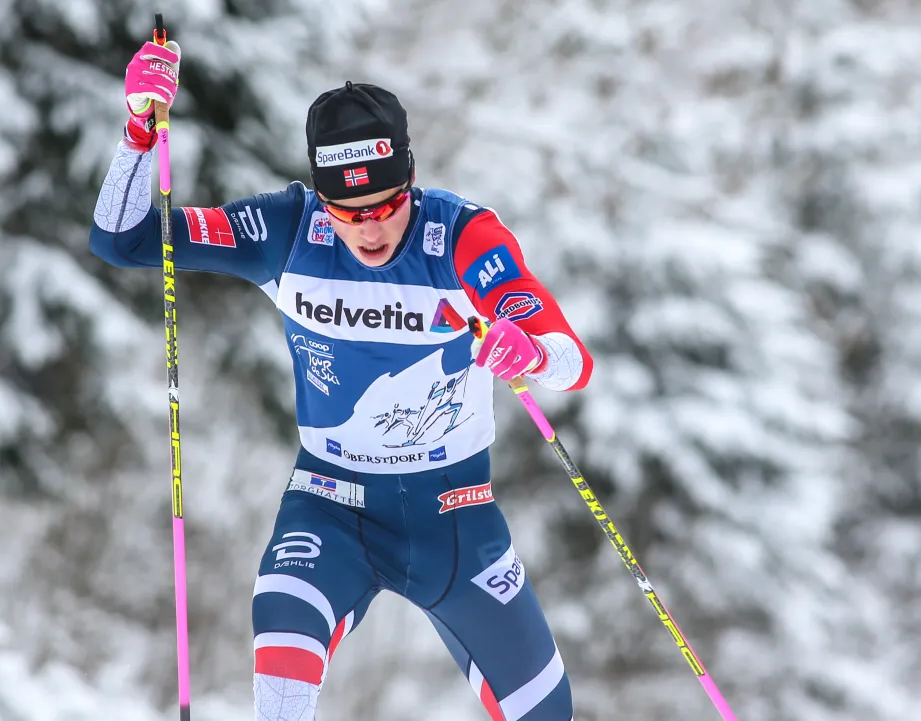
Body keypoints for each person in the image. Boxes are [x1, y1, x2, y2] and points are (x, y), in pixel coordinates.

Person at [90, 40, 593, 721]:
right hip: (329, 504)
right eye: (346, 211)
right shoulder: (286, 230)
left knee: (546, 713)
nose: (370, 228)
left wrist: (526, 349)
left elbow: (571, 358)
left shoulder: (461, 235)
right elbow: (121, 240)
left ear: (408, 179)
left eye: (386, 205)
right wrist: (140, 131)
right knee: (281, 667)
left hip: (454, 516)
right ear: (320, 196)